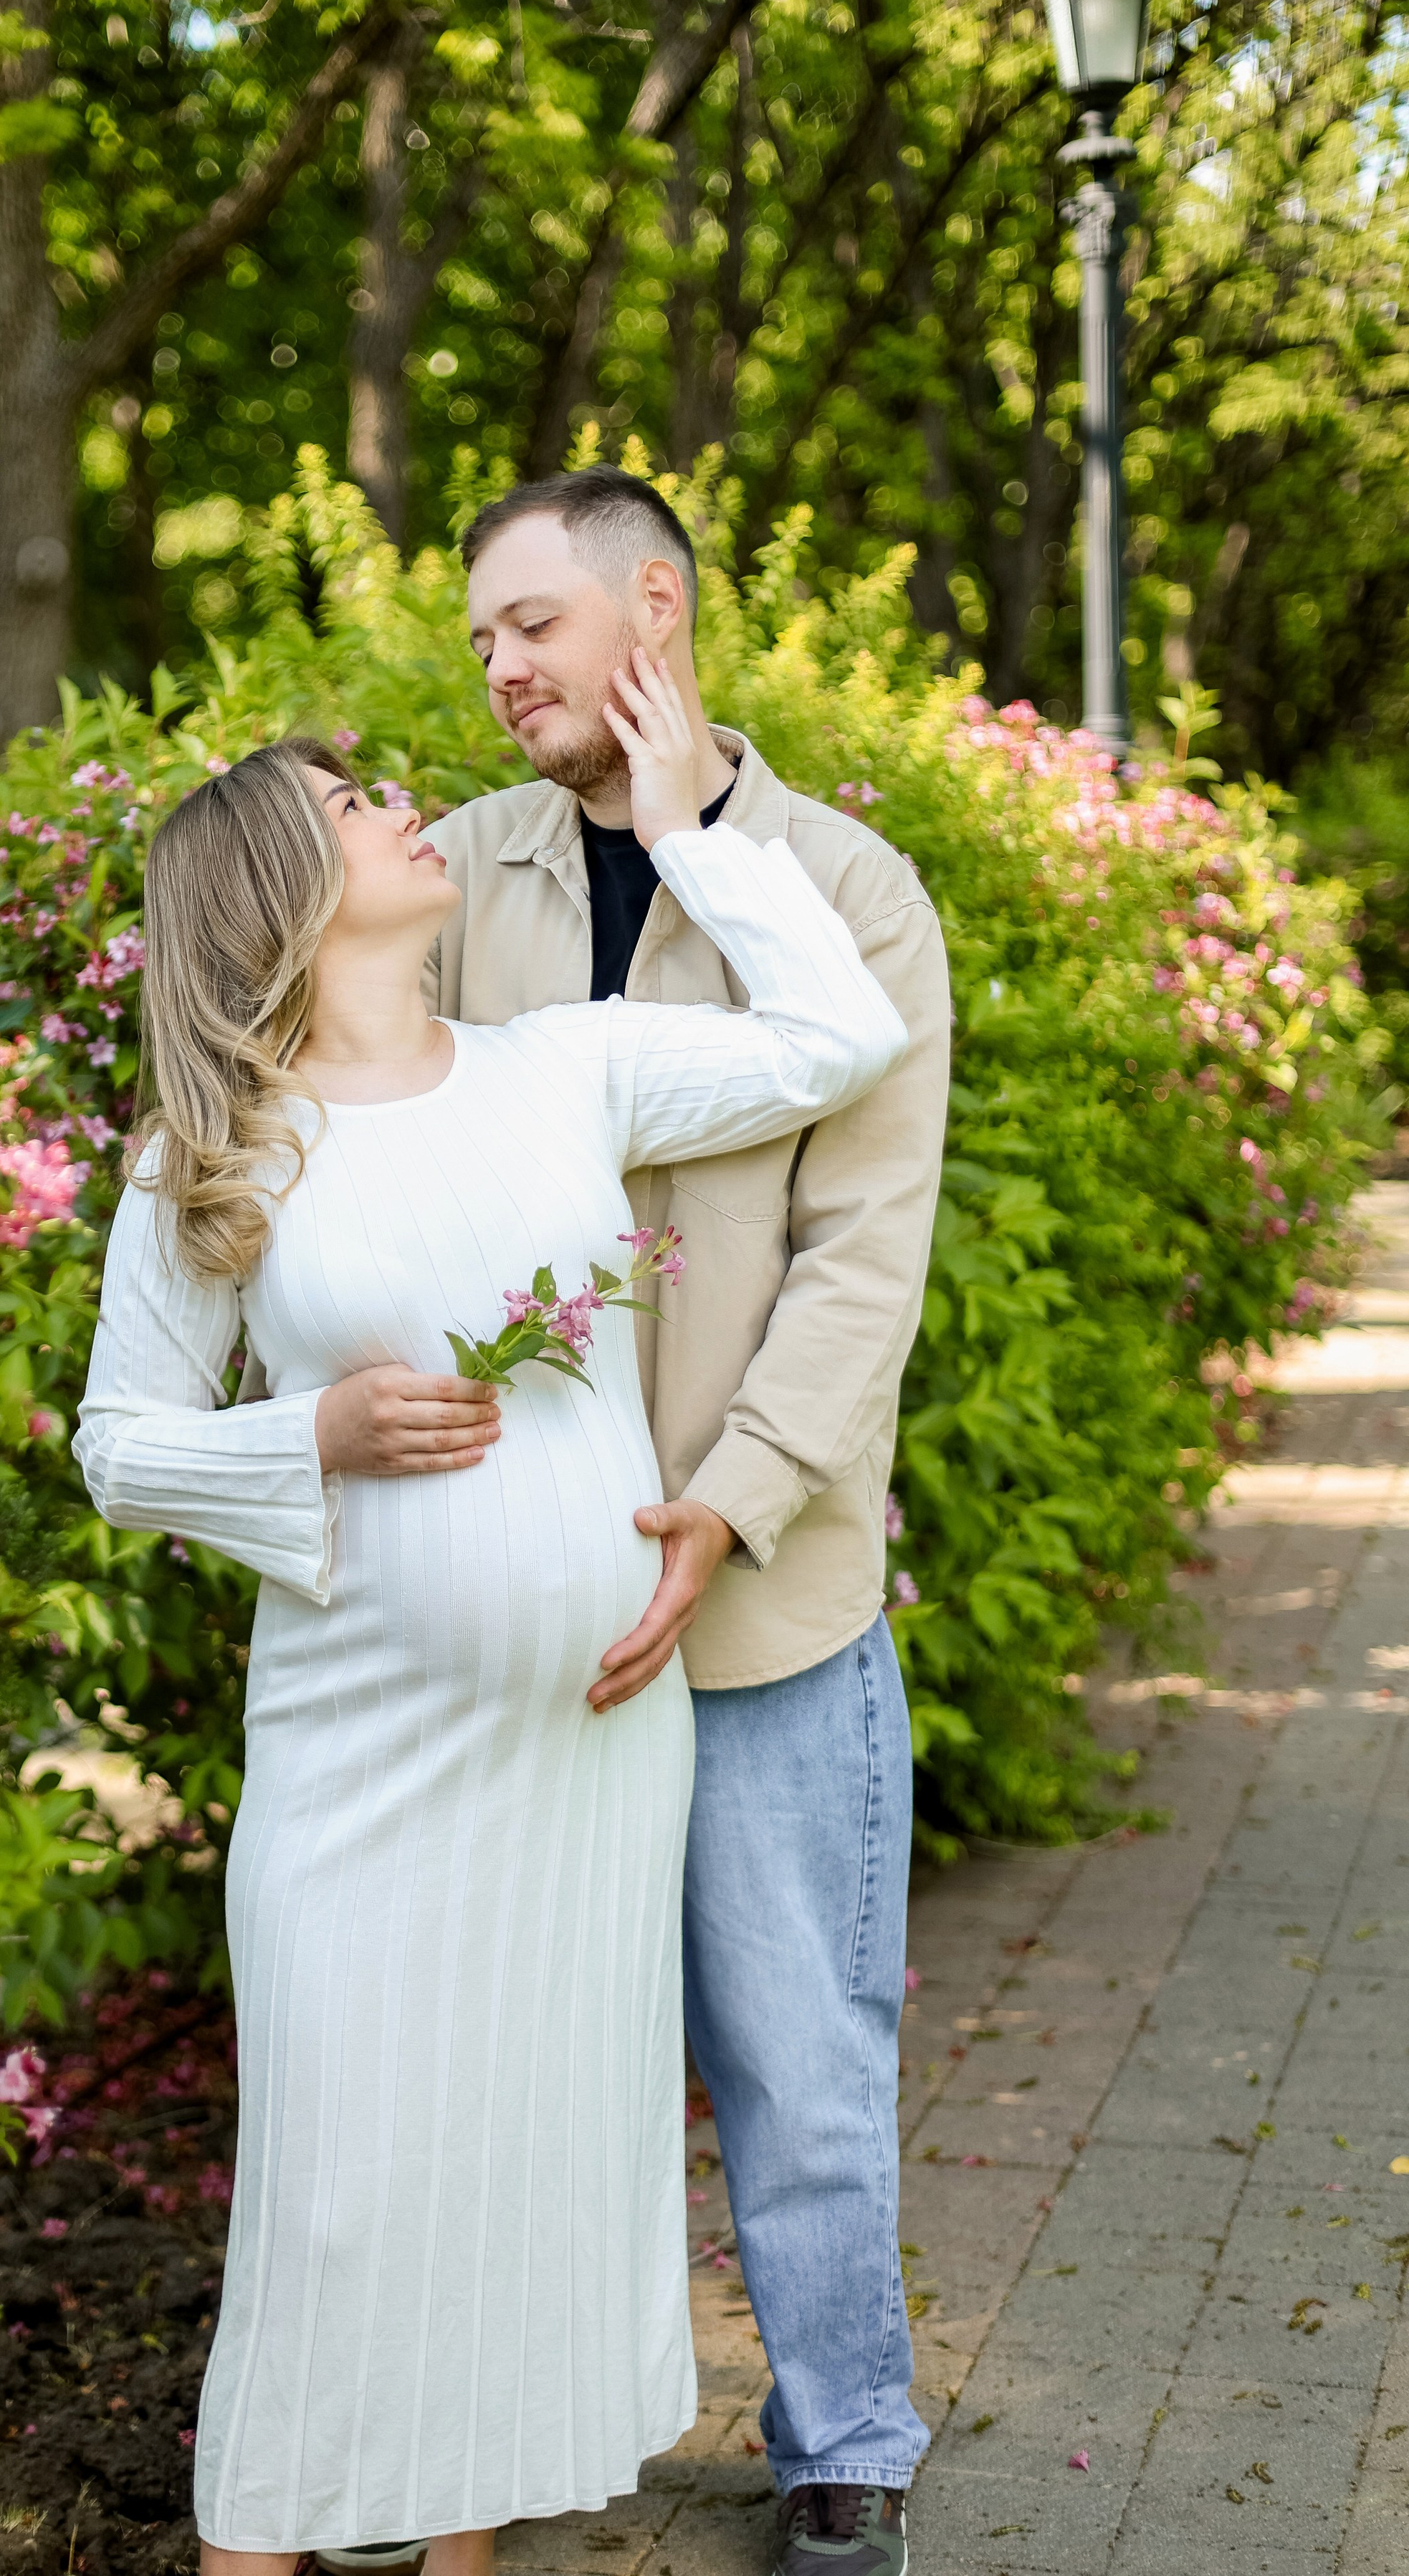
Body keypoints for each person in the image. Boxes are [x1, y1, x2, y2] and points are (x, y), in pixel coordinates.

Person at [73, 658, 907, 2576]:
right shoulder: (222, 1156)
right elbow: (120, 1446)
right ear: (283, 886)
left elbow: (831, 1031)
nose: (405, 811)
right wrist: (318, 1435)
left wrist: (697, 828)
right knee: (342, 2199)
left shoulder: (568, 1065)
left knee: (527, 2178)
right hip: (366, 1771)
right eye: (356, 803)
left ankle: (468, 2558)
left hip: (590, 1759)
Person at [419, 469, 952, 2576]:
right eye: (480, 639)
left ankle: (849, 2445)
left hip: (766, 1606)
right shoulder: (454, 874)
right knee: (525, 2062)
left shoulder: (856, 890)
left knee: (802, 2064)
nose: (500, 670)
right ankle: (519, 2430)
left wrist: (714, 1517)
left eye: (530, 625)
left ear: (656, 604)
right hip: (524, 1600)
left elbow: (861, 1260)